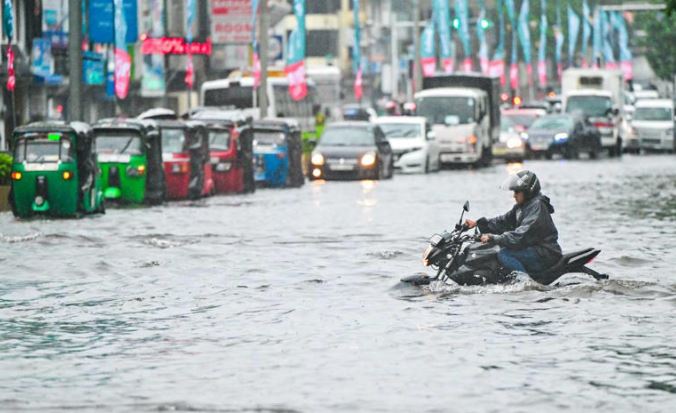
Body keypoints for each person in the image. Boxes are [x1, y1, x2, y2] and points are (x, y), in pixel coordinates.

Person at [464, 170, 562, 274]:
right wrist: (477, 223)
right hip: (532, 248)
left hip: (545, 253)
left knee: (504, 254)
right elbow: (502, 221)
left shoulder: (537, 207)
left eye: (516, 192)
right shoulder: (522, 207)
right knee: (493, 250)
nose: (514, 196)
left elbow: (520, 234)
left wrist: (493, 237)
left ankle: (524, 284)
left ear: (528, 191)